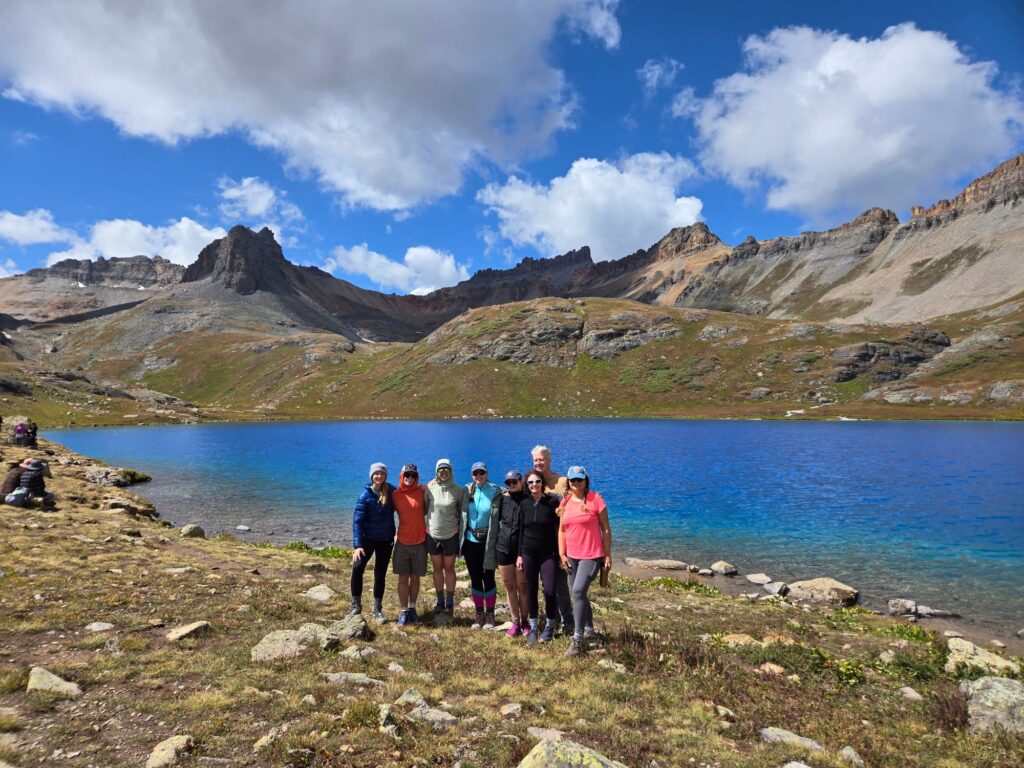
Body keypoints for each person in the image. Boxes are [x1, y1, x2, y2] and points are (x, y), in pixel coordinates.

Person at [558, 465, 612, 657]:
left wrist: (607, 555)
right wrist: (562, 554)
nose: (576, 483)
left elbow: (605, 528)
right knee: (578, 594)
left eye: (579, 480)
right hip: (571, 557)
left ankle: (578, 638)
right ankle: (589, 630)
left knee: (578, 590)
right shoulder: (565, 502)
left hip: (592, 555)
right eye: (572, 480)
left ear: (585, 481)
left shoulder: (595, 499)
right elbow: (562, 530)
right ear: (569, 482)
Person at [531, 444, 574, 636]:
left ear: (549, 460)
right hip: (543, 542)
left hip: (562, 540)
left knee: (560, 585)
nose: (538, 463)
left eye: (541, 459)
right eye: (535, 460)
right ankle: (552, 619)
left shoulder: (562, 481)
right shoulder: (533, 481)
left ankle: (568, 622)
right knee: (546, 584)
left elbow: (576, 499)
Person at [517, 469, 562, 645]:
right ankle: (534, 627)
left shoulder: (552, 502)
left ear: (542, 483)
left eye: (537, 481)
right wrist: (519, 555)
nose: (534, 485)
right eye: (530, 483)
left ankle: (550, 624)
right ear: (527, 486)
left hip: (547, 554)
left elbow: (560, 530)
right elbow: (521, 530)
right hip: (528, 553)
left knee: (550, 590)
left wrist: (560, 554)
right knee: (531, 590)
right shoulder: (524, 504)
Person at [350, 462, 396, 622]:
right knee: (357, 568)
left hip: (386, 540)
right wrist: (358, 545)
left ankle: (377, 610)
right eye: (376, 474)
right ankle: (356, 605)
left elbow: (406, 499)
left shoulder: (391, 491)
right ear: (371, 476)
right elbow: (357, 521)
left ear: (385, 476)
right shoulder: (365, 495)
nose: (379, 476)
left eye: (382, 474)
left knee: (380, 574)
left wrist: (424, 488)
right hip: (367, 540)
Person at [460, 462, 502, 629]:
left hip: (488, 542)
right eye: (475, 473)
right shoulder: (467, 490)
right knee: (475, 577)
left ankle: (490, 615)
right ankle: (479, 615)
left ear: (486, 473)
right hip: (470, 540)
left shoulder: (495, 490)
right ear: (472, 475)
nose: (479, 476)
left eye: (482, 473)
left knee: (488, 577)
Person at [424, 458, 467, 615]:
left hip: (450, 535)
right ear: (436, 472)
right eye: (440, 470)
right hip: (433, 534)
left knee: (449, 568)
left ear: (451, 472)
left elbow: (463, 510)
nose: (443, 473)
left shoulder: (458, 490)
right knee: (437, 568)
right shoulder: (429, 488)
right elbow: (424, 508)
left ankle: (450, 602)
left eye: (446, 470)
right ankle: (439, 601)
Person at [392, 463, 428, 626]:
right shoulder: (395, 495)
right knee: (402, 578)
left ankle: (412, 609)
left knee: (415, 579)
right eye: (407, 475)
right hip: (402, 542)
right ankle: (404, 611)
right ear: (401, 476)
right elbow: (383, 514)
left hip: (420, 542)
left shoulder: (423, 491)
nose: (410, 478)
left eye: (413, 475)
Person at [496, 470, 529, 637]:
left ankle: (525, 621)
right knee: (509, 586)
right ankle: (515, 622)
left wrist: (521, 553)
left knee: (522, 587)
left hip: (520, 550)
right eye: (508, 483)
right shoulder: (503, 499)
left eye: (514, 482)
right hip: (503, 548)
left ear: (521, 481)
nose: (511, 485)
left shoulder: (527, 499)